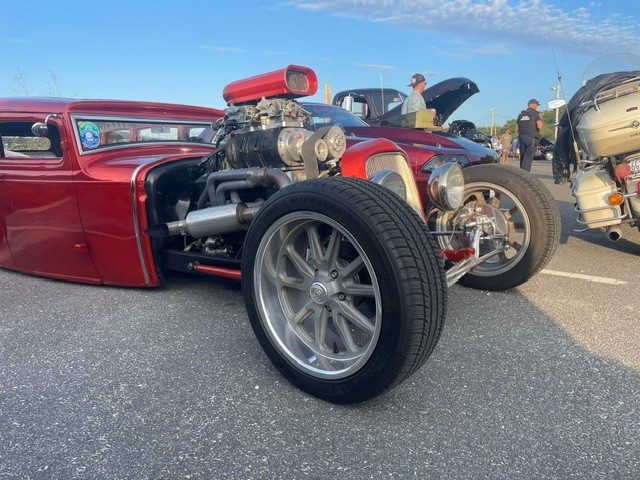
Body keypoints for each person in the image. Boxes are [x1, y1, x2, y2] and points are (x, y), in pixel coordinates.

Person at [516, 99, 543, 172]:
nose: (537, 106)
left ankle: (521, 173)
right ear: (533, 105)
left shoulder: (521, 115)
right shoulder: (535, 114)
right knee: (528, 158)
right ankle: (524, 175)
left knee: (523, 157)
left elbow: (516, 128)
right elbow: (540, 126)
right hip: (531, 139)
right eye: (536, 105)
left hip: (522, 138)